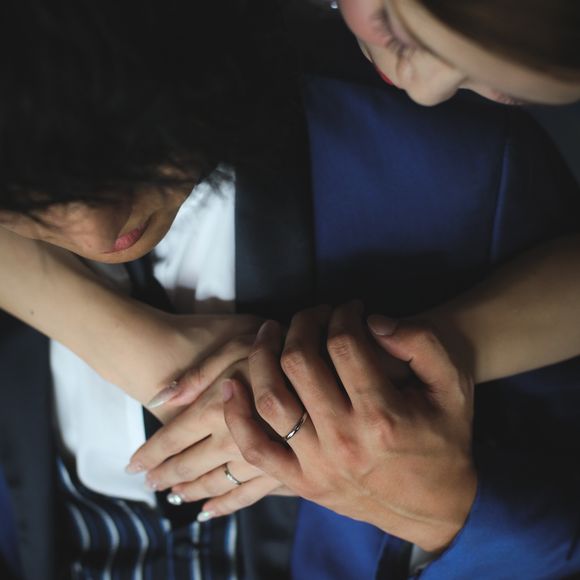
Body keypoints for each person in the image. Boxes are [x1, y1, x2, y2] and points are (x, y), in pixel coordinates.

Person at [0, 0, 580, 578]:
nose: (99, 235)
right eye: (28, 203)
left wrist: (447, 516)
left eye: (129, 158)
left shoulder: (467, 166)